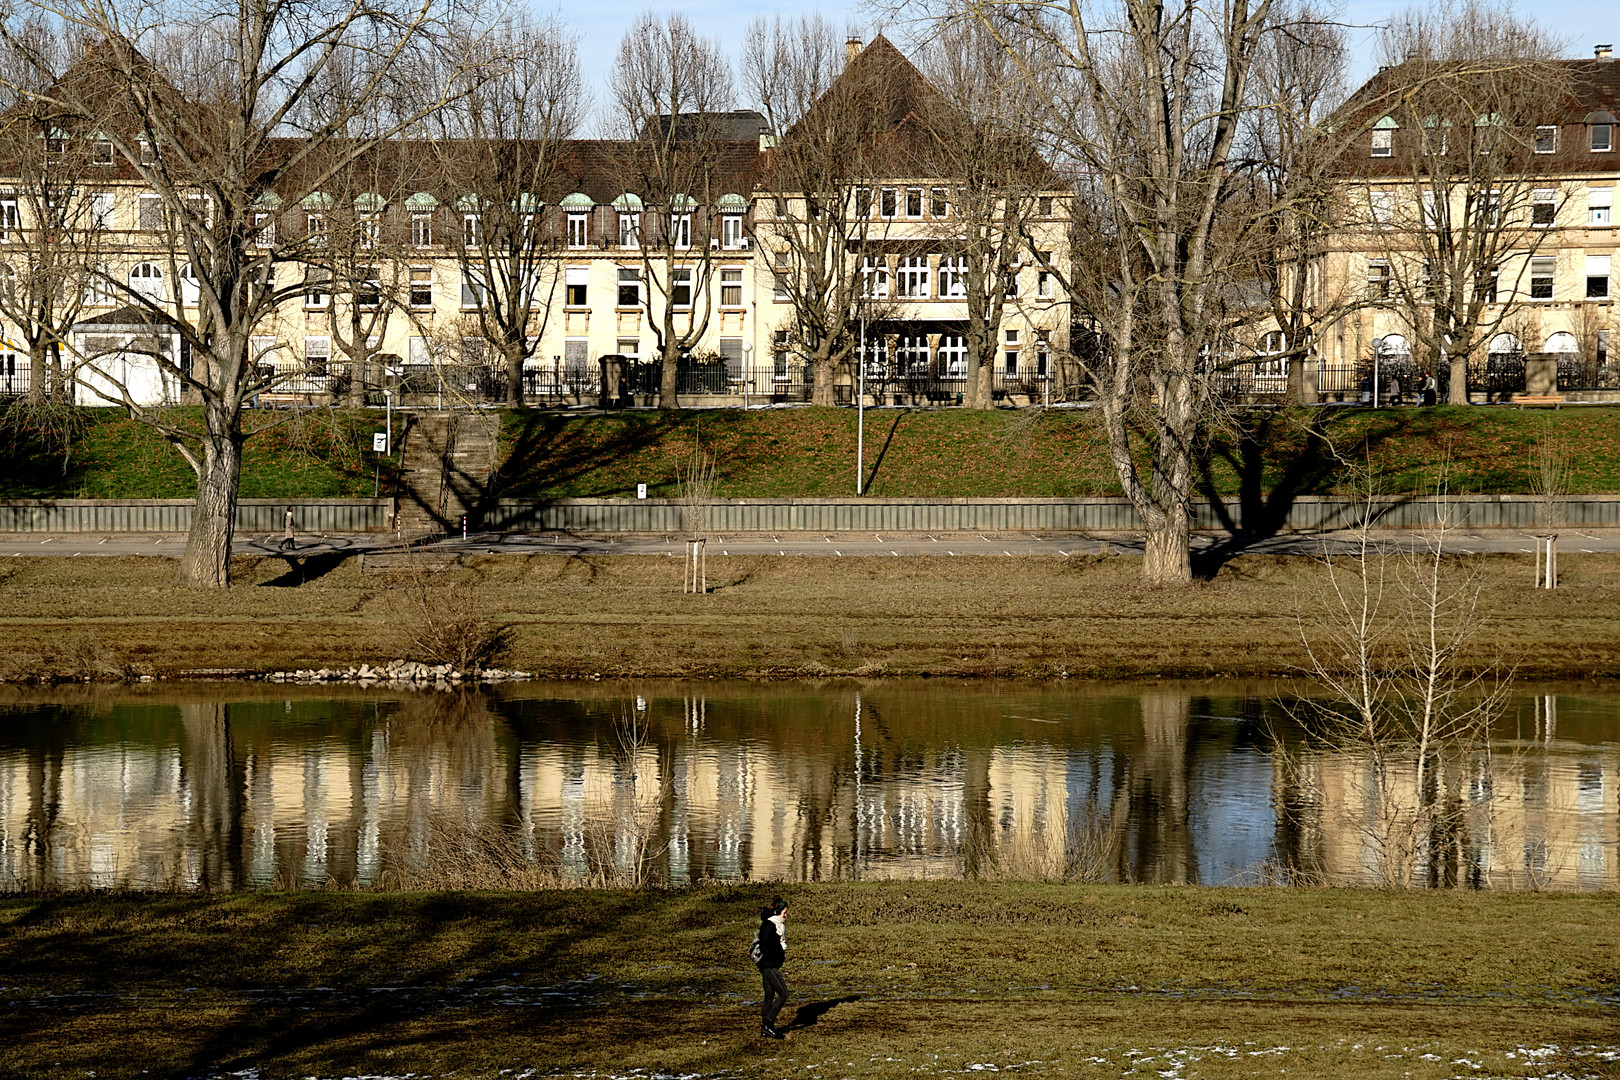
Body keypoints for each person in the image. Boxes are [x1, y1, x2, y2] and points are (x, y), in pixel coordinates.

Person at [753, 897, 789, 1039]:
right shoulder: (769, 926)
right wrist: (776, 955)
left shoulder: (777, 925)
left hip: (770, 965)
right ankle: (768, 1024)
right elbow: (765, 946)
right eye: (784, 912)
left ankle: (764, 1029)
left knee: (769, 996)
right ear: (776, 911)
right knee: (783, 994)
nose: (786, 915)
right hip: (768, 966)